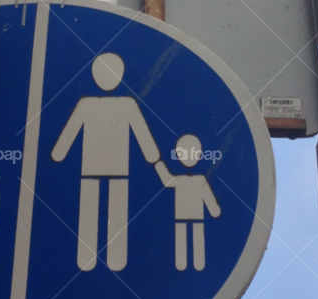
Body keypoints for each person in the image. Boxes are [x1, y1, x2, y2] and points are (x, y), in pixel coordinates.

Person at [51, 52, 160, 272]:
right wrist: (152, 157)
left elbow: (64, 141)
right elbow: (145, 141)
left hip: (91, 170)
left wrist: (59, 153)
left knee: (90, 210)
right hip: (118, 170)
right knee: (114, 210)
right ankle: (113, 259)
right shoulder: (125, 104)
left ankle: (88, 257)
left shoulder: (87, 104)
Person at [155, 134, 221, 271]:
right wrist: (214, 210)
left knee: (193, 237)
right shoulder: (197, 180)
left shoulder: (198, 180)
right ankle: (185, 264)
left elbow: (167, 180)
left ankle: (194, 264)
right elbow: (167, 181)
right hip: (187, 216)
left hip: (190, 216)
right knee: (184, 238)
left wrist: (159, 165)